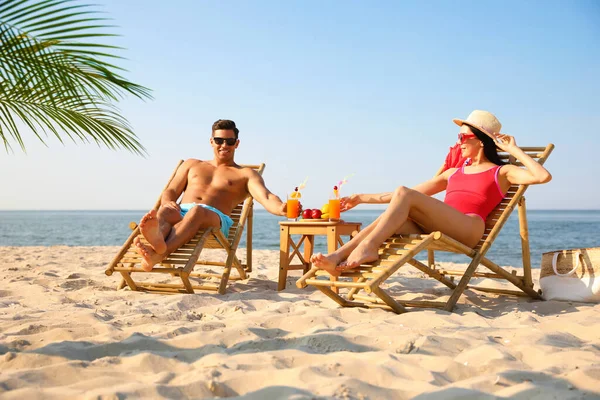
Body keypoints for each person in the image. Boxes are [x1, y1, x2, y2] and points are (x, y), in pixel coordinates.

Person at [311, 110, 552, 276]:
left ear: (481, 141)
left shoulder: (502, 171)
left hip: (467, 228)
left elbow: (542, 176)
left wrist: (514, 150)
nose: (458, 143)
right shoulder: (452, 174)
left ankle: (368, 247)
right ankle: (336, 257)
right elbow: (399, 197)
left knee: (403, 194)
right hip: (441, 227)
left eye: (463, 137)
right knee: (389, 218)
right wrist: (362, 198)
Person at [134, 119, 292, 271]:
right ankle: (157, 243)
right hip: (182, 213)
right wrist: (168, 202)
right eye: (219, 140)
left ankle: (159, 253)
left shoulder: (245, 174)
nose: (224, 145)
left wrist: (281, 208)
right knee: (165, 210)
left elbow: (267, 197)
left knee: (197, 211)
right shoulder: (192, 164)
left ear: (237, 144)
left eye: (230, 141)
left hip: (215, 218)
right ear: (211, 142)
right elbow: (172, 190)